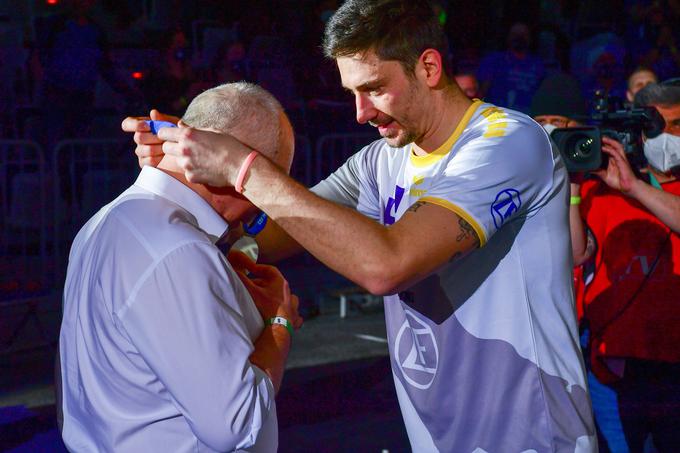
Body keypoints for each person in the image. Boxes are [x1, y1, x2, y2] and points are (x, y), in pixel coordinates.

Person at [125, 1, 596, 450]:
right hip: (439, 433)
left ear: (428, 68)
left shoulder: (506, 144)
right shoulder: (379, 160)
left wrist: (241, 167)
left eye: (373, 88)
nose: (361, 112)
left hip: (528, 435)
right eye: (352, 93)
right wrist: (188, 169)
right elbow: (270, 234)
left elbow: (386, 265)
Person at [58, 82, 301, 452]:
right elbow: (234, 426)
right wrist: (277, 323)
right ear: (236, 166)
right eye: (270, 182)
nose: (265, 204)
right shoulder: (179, 251)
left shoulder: (105, 221)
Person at [570, 80, 680, 452]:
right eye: (660, 126)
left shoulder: (631, 186)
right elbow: (574, 254)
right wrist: (571, 188)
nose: (669, 136)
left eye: (678, 125)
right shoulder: (600, 190)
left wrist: (634, 187)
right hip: (613, 366)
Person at [476, 22, 546, 113]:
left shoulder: (537, 64)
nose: (519, 38)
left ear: (530, 39)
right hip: (498, 115)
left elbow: (543, 95)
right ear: (508, 37)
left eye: (523, 35)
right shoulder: (494, 60)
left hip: (529, 116)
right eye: (515, 34)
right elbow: (482, 91)